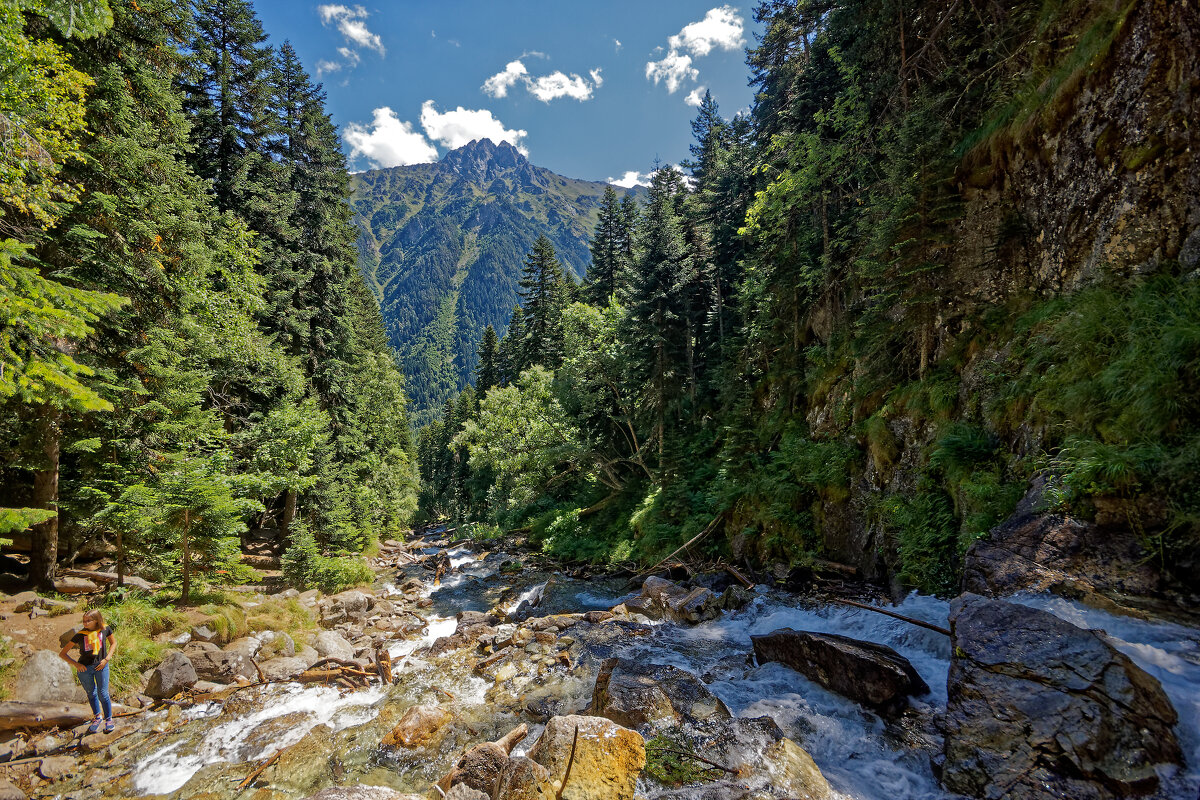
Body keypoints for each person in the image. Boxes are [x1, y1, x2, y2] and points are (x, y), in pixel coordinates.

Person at [58, 609, 117, 733]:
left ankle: (109, 719)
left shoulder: (105, 629)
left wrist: (107, 659)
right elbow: (63, 653)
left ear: (96, 620)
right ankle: (97, 717)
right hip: (85, 669)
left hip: (101, 665)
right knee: (91, 693)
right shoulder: (80, 634)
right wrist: (76, 664)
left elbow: (113, 643)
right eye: (84, 621)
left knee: (103, 693)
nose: (85, 623)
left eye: (88, 621)